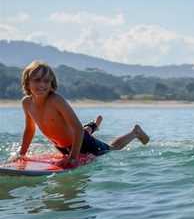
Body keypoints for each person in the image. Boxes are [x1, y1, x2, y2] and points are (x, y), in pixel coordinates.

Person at [13, 61, 150, 168]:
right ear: (27, 81)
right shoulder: (26, 103)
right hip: (62, 147)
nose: (42, 85)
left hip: (82, 143)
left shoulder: (56, 100)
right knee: (84, 131)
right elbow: (30, 129)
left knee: (112, 149)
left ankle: (135, 133)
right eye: (37, 80)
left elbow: (77, 129)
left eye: (46, 81)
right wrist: (22, 154)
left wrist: (73, 158)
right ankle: (94, 126)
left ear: (52, 83)